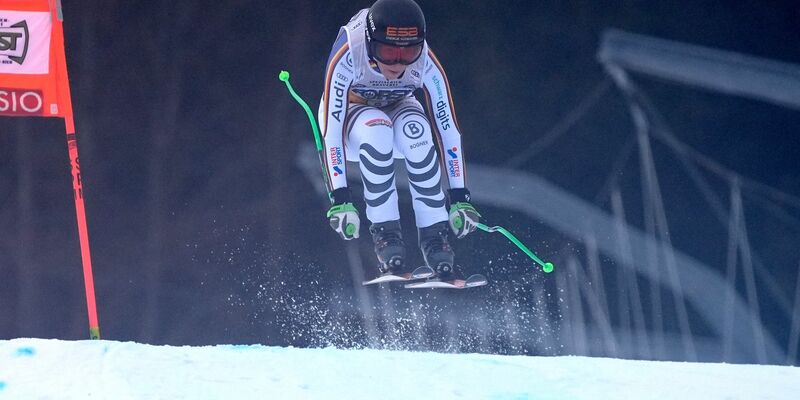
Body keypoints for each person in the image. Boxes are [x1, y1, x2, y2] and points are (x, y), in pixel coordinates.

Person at [319, 0, 480, 280]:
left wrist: (460, 197)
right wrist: (340, 198)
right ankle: (387, 238)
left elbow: (448, 131)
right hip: (352, 119)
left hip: (399, 106)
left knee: (417, 130)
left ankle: (435, 240)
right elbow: (331, 131)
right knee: (377, 131)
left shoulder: (426, 62)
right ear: (370, 44)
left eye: (409, 53)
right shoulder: (348, 53)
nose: (398, 63)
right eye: (388, 52)